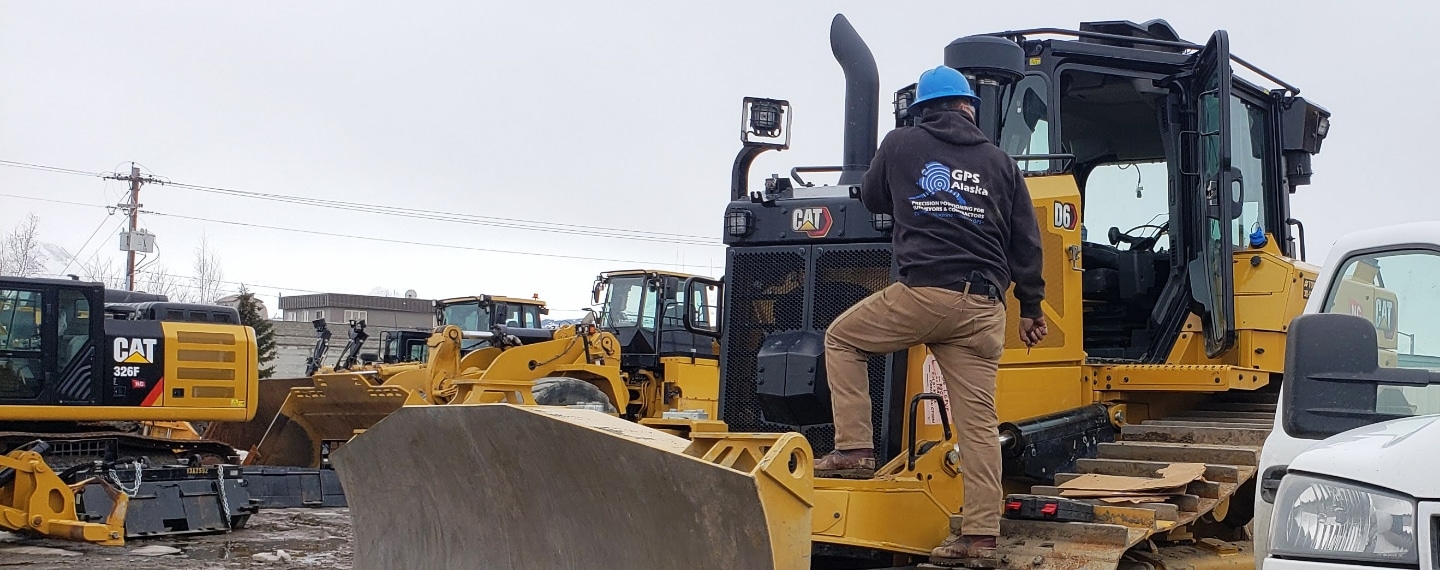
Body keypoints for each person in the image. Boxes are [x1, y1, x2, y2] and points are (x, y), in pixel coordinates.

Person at [811, 65, 1048, 567]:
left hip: (924, 295)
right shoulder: (1002, 162)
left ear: (922, 110)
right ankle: (980, 536)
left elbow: (874, 196)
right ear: (969, 108)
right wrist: (1031, 308)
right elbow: (1027, 241)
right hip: (985, 308)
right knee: (979, 426)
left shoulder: (901, 144)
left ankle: (854, 449)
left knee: (842, 339)